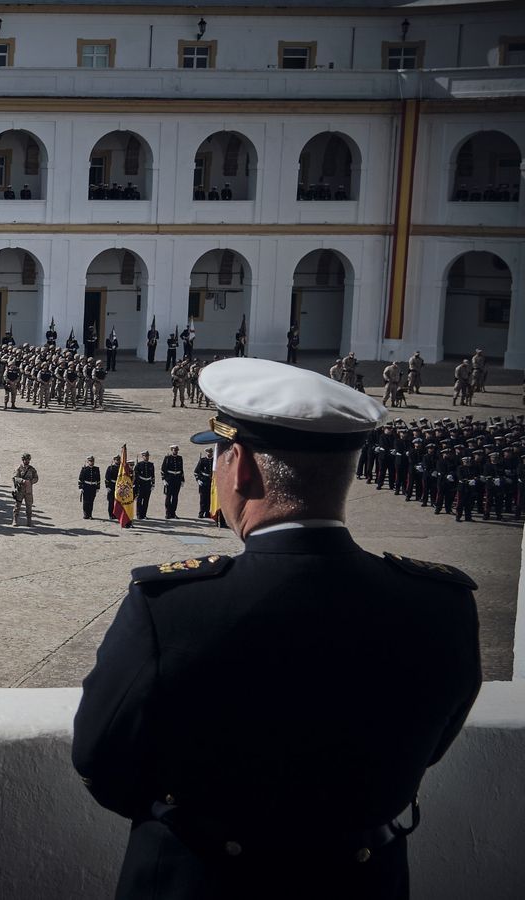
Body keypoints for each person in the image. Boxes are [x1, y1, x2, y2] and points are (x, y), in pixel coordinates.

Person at [74, 357, 481, 900]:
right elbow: (428, 747)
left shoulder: (171, 607)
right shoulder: (440, 604)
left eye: (218, 456)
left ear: (240, 466)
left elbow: (100, 759)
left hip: (200, 877)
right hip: (360, 881)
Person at [11, 453, 38, 526]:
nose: (27, 461)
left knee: (29, 506)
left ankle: (29, 521)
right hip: (20, 490)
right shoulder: (19, 468)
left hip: (28, 491)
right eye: (26, 459)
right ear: (23, 460)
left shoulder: (32, 469)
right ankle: (15, 520)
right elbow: (15, 478)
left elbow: (36, 478)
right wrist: (22, 481)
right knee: (17, 506)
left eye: (28, 460)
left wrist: (30, 481)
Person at [161, 444, 185, 518]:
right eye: (174, 450)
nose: (176, 451)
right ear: (171, 450)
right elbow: (163, 469)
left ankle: (173, 513)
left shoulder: (180, 458)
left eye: (177, 450)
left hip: (177, 479)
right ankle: (168, 513)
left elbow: (181, 469)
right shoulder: (167, 458)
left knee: (175, 497)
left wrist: (182, 479)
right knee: (168, 496)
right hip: (169, 479)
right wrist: (164, 479)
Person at [78, 455, 101, 519]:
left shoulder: (96, 469)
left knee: (91, 501)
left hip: (93, 487)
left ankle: (90, 514)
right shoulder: (84, 469)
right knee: (85, 501)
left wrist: (98, 487)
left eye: (92, 461)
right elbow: (80, 479)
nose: (91, 462)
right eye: (90, 461)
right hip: (86, 487)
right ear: (88, 462)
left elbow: (98, 479)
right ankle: (86, 514)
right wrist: (80, 488)